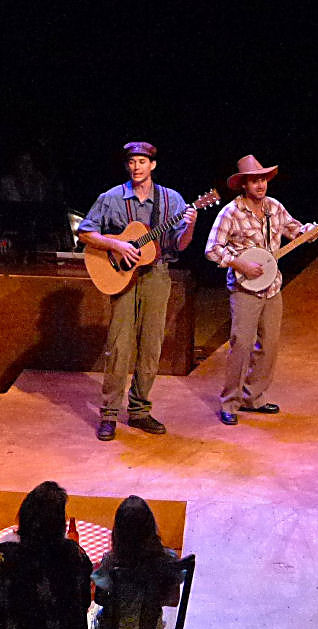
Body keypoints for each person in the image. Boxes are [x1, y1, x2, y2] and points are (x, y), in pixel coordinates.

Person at [78, 142, 197, 441]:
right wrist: (117, 245)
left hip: (156, 275)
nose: (136, 167)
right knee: (119, 345)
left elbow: (180, 245)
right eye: (132, 162)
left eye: (142, 161)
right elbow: (85, 232)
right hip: (121, 276)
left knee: (151, 345)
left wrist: (191, 227)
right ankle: (109, 414)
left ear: (152, 165)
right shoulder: (112, 197)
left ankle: (140, 410)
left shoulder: (172, 200)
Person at [205, 154, 318, 425]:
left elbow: (296, 230)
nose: (260, 185)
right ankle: (230, 402)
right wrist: (239, 263)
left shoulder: (274, 207)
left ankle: (254, 398)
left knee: (270, 345)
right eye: (254, 180)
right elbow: (212, 249)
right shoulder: (231, 212)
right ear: (243, 185)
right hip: (244, 289)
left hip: (272, 287)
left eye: (263, 179)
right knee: (241, 344)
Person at [0, 481, 92, 629]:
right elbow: (84, 601)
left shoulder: (4, 558)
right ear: (59, 527)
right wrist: (73, 546)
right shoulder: (75, 557)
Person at [90, 495, 183, 629]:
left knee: (92, 615)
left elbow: (100, 599)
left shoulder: (110, 561)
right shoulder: (168, 560)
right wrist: (148, 599)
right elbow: (173, 600)